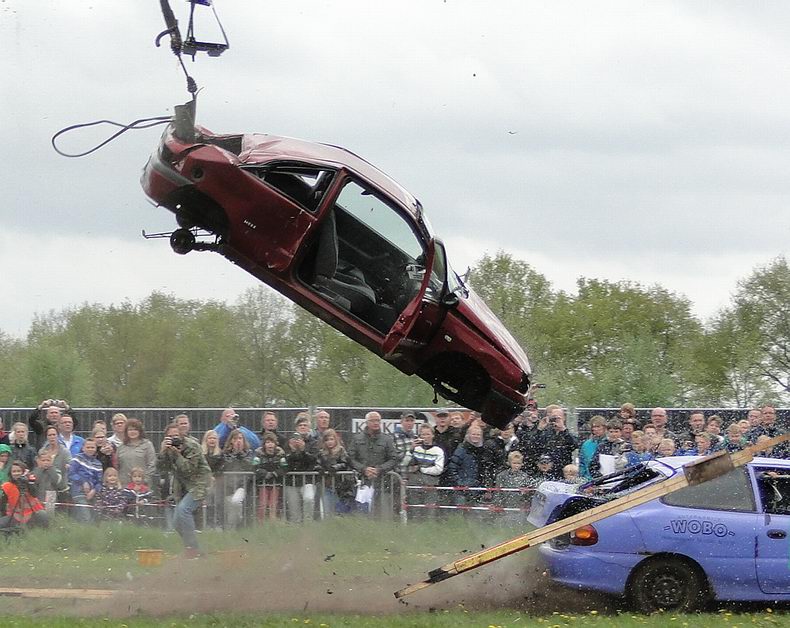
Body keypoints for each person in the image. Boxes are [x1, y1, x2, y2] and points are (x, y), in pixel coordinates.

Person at [156, 422, 212, 558]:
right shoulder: (168, 448)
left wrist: (177, 455)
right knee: (176, 522)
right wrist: (163, 453)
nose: (174, 438)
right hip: (183, 486)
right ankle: (193, 548)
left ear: (181, 434)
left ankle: (192, 549)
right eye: (170, 436)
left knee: (183, 510)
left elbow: (189, 469)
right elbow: (161, 468)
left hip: (200, 482)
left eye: (176, 435)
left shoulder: (192, 446)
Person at [347, 412, 398, 516]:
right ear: (366, 422)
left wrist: (379, 469)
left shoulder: (387, 439)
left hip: (382, 482)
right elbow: (350, 458)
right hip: (362, 481)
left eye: (378, 420)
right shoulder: (357, 438)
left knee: (381, 513)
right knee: (361, 513)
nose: (376, 423)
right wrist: (363, 469)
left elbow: (393, 459)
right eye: (373, 420)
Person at [218, 429, 255, 529]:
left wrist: (240, 454)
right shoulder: (225, 453)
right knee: (230, 507)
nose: (238, 441)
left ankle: (238, 522)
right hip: (228, 486)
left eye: (240, 438)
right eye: (235, 439)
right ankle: (232, 529)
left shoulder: (249, 453)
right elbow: (225, 466)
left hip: (242, 485)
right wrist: (234, 454)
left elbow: (250, 467)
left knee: (235, 501)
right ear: (231, 441)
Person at [315, 429, 355, 516]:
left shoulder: (341, 451)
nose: (329, 442)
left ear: (336, 440)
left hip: (342, 487)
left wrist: (335, 468)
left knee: (341, 512)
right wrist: (320, 469)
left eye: (331, 439)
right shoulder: (321, 453)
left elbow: (345, 463)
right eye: (327, 440)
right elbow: (317, 464)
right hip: (327, 485)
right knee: (327, 511)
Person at [0, 461, 49, 531]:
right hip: (15, 516)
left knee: (42, 514)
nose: (16, 473)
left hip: (32, 514)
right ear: (10, 473)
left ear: (24, 472)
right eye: (14, 471)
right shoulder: (7, 486)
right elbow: (2, 505)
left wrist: (28, 482)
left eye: (19, 471)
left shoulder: (30, 481)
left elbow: (34, 494)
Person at [445, 424, 487, 504]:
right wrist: (460, 483)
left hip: (478, 489)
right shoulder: (461, 450)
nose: (476, 436)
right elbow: (452, 468)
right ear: (468, 435)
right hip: (461, 491)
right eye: (473, 434)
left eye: (478, 434)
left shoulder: (483, 451)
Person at [283, 433, 317, 523]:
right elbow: (285, 466)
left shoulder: (311, 446)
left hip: (307, 481)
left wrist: (303, 450)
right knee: (294, 511)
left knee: (309, 499)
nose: (296, 441)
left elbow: (313, 461)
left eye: (299, 439)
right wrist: (293, 451)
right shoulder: (286, 448)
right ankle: (296, 527)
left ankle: (308, 523)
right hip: (291, 482)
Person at [68, 438, 103, 523]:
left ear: (96, 449)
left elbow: (99, 481)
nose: (90, 449)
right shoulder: (77, 459)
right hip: (78, 491)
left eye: (92, 447)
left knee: (95, 517)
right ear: (83, 448)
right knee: (85, 516)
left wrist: (94, 491)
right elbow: (71, 473)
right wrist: (83, 482)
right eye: (88, 447)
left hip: (93, 494)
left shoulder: (98, 464)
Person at [254, 434, 287, 521]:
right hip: (262, 483)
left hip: (276, 483)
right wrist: (264, 473)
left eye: (272, 442)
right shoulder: (258, 454)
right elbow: (254, 466)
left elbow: (284, 467)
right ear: (264, 444)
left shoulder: (281, 454)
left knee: (273, 504)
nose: (270, 444)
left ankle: (273, 523)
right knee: (262, 504)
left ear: (275, 444)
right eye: (267, 442)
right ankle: (260, 523)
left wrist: (274, 473)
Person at [495, 451, 534, 523]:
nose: (516, 465)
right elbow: (497, 492)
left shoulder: (525, 476)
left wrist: (526, 492)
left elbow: (528, 492)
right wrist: (498, 504)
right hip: (505, 503)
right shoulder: (501, 475)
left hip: (519, 504)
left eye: (518, 463)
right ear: (509, 463)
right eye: (514, 463)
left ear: (522, 464)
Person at [116, 418, 157, 487]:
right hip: (124, 485)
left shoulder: (147, 445)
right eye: (130, 430)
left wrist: (145, 480)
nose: (132, 432)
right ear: (126, 432)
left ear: (140, 431)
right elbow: (117, 465)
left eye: (135, 429)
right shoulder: (121, 447)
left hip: (142, 485)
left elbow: (152, 464)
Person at [578, 416, 606, 480]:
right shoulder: (586, 444)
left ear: (604, 427)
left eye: (598, 426)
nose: (596, 429)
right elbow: (582, 463)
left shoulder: (609, 443)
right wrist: (583, 476)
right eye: (594, 427)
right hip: (589, 479)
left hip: (606, 478)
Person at [393, 411, 419, 476]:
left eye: (412, 421)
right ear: (401, 421)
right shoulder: (393, 437)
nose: (409, 423)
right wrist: (410, 450)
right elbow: (393, 457)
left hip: (414, 476)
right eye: (407, 420)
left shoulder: (416, 438)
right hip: (399, 475)